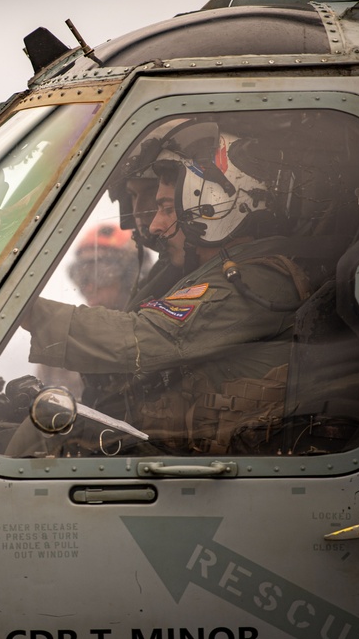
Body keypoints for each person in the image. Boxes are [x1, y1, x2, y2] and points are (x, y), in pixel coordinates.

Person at [19, 119, 317, 455]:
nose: (155, 226)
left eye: (165, 209)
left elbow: (142, 339)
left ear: (215, 207)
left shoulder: (254, 280)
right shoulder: (211, 274)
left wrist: (19, 308)